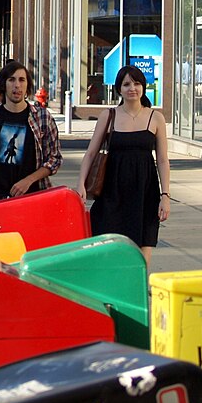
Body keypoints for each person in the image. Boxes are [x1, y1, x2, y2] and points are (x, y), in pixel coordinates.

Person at [77, 64, 170, 268]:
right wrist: (81, 184)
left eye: (137, 83)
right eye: (126, 84)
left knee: (143, 248)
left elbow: (162, 159)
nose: (132, 88)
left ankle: (137, 293)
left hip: (145, 191)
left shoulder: (156, 118)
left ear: (143, 87)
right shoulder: (109, 116)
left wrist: (165, 196)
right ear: (119, 88)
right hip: (112, 191)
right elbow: (91, 152)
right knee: (108, 247)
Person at [0, 60, 61, 203]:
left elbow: (54, 159)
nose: (17, 85)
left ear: (27, 86)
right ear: (4, 85)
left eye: (21, 80)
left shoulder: (42, 118)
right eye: (11, 80)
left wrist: (29, 180)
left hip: (32, 197)